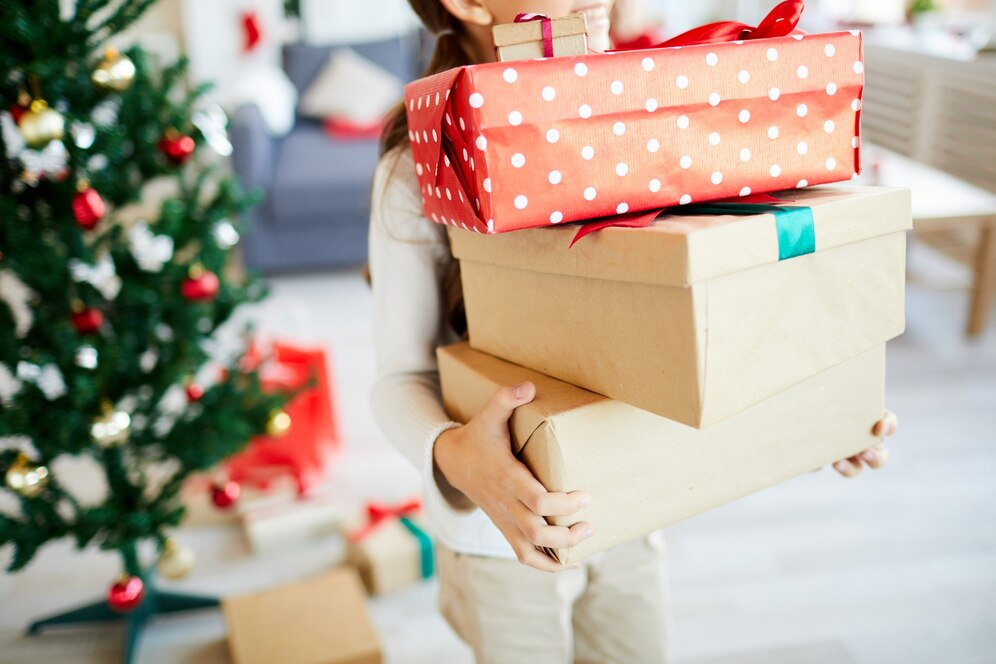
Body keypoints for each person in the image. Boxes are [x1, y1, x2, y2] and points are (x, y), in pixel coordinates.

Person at [368, 1, 899, 661]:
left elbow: (685, 309)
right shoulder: (419, 162)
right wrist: (457, 458)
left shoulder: (638, 116)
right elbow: (397, 378)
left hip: (631, 499)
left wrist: (805, 410)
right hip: (496, 534)